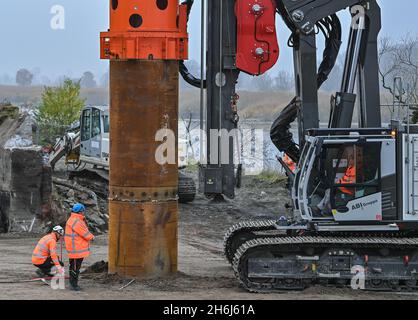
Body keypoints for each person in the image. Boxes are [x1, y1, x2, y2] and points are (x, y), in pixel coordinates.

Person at [65, 203, 95, 291]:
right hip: (76, 250)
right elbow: (84, 233)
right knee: (75, 268)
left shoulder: (73, 219)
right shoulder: (76, 221)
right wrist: (92, 237)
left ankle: (73, 283)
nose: (84, 213)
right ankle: (74, 285)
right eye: (83, 211)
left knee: (74, 267)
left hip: (75, 249)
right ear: (80, 211)